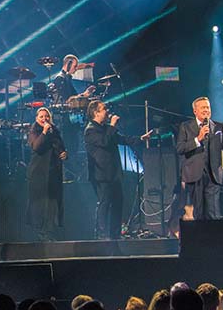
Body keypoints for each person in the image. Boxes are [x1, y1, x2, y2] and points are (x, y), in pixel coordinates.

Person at [83, 101, 150, 239]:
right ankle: (102, 234)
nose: (107, 111)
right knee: (105, 203)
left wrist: (140, 139)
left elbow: (122, 139)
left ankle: (115, 233)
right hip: (101, 174)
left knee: (118, 203)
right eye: (104, 109)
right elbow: (105, 141)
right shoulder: (90, 130)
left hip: (114, 172)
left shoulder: (106, 128)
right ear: (96, 113)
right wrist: (112, 125)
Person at [26, 108, 67, 241]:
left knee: (52, 204)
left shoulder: (54, 131)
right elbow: (37, 147)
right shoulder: (34, 131)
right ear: (37, 118)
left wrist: (64, 154)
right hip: (39, 173)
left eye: (47, 116)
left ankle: (49, 231)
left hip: (53, 172)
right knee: (40, 204)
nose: (45, 119)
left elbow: (61, 146)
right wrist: (44, 132)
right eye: (42, 117)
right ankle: (40, 232)